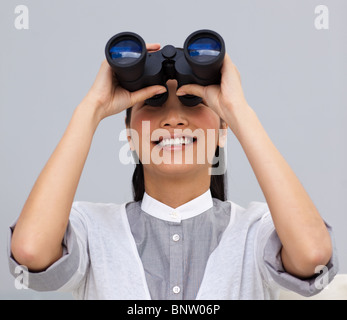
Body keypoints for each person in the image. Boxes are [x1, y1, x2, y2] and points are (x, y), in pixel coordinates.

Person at [8, 43, 338, 300]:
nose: (173, 119)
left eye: (193, 102)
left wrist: (239, 110)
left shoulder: (256, 232)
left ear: (223, 127)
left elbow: (312, 256)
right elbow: (31, 250)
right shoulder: (92, 231)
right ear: (129, 132)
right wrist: (90, 109)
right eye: (153, 103)